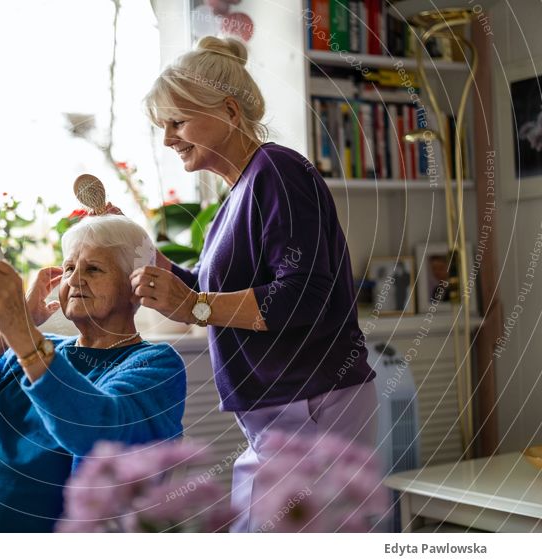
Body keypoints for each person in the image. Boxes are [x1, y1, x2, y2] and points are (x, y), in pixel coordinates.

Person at [128, 36, 378, 532]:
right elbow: (206, 290)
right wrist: (136, 248)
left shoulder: (278, 171)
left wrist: (197, 305)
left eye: (177, 123)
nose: (167, 139)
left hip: (312, 402)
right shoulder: (238, 195)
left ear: (227, 110)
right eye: (163, 127)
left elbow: (302, 295)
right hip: (279, 411)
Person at [0, 215, 186, 532]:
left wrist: (25, 337)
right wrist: (10, 331)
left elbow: (95, 433)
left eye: (93, 269)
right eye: (69, 268)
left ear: (134, 286)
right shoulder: (40, 347)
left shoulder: (154, 363)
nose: (74, 280)